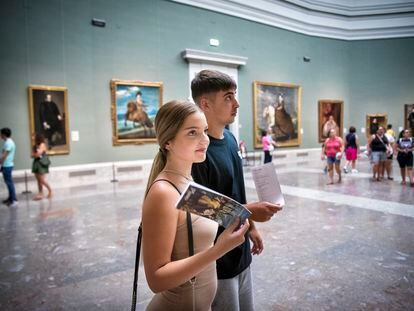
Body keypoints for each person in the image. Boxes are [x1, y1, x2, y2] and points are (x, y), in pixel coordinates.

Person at [142, 100, 250, 310]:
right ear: (168, 142)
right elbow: (156, 280)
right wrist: (219, 250)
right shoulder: (163, 193)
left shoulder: (189, 181)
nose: (205, 140)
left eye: (205, 131)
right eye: (193, 133)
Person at [191, 69, 283, 311]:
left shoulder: (230, 140)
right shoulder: (197, 151)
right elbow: (200, 207)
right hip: (217, 261)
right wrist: (249, 212)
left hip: (240, 251)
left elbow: (234, 192)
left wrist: (250, 227)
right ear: (206, 104)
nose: (237, 103)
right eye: (228, 97)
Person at [31, 134, 52, 200]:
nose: (33, 138)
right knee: (38, 180)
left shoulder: (42, 144)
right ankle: (40, 193)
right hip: (36, 163)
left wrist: (34, 154)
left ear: (38, 138)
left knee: (42, 180)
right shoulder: (35, 146)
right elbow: (32, 155)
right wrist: (34, 154)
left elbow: (38, 154)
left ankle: (50, 191)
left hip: (42, 163)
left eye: (34, 137)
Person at [0, 128, 18, 207]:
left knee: (9, 183)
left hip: (7, 165)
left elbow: (4, 155)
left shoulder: (8, 143)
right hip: (6, 165)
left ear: (4, 134)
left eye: (1, 134)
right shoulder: (8, 142)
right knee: (8, 183)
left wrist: (0, 162)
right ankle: (10, 198)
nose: (0, 135)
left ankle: (14, 200)